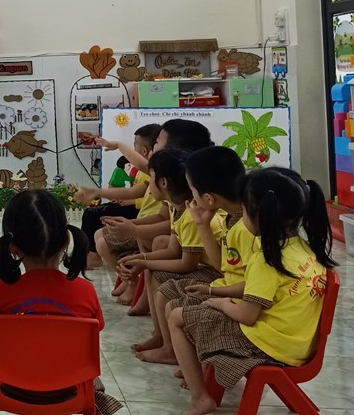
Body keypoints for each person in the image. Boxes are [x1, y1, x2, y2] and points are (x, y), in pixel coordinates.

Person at [169, 167, 336, 415]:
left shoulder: (267, 259)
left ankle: (199, 397)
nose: (242, 216)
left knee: (177, 317)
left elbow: (247, 315)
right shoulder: (301, 247)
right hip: (296, 341)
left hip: (268, 345)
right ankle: (200, 378)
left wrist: (222, 303)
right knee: (198, 306)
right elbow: (258, 288)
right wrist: (214, 291)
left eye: (244, 211)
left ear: (261, 215)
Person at [0, 190, 122, 415]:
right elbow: (96, 328)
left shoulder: (2, 289)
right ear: (67, 239)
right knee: (93, 379)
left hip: (8, 386)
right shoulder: (84, 291)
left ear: (12, 246)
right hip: (72, 387)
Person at [118, 149, 220, 364]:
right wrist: (141, 260)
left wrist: (143, 260)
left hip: (215, 273)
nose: (149, 183)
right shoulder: (176, 208)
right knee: (151, 269)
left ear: (163, 182)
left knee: (163, 287)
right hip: (203, 266)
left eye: (151, 177)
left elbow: (187, 264)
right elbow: (173, 250)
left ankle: (170, 349)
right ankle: (160, 336)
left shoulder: (191, 214)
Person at [161, 146, 251, 316]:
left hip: (242, 298)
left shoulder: (247, 226)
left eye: (192, 191)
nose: (192, 197)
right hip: (230, 285)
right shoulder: (234, 215)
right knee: (169, 296)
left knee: (176, 312)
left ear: (208, 198)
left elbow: (250, 285)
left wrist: (212, 291)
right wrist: (203, 225)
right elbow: (224, 266)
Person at [77, 123, 162, 266]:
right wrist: (99, 192)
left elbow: (157, 210)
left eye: (160, 144)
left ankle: (99, 259)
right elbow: (134, 191)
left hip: (143, 216)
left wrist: (118, 145)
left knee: (94, 218)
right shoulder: (147, 173)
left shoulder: (157, 172)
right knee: (96, 221)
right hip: (142, 217)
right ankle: (97, 258)